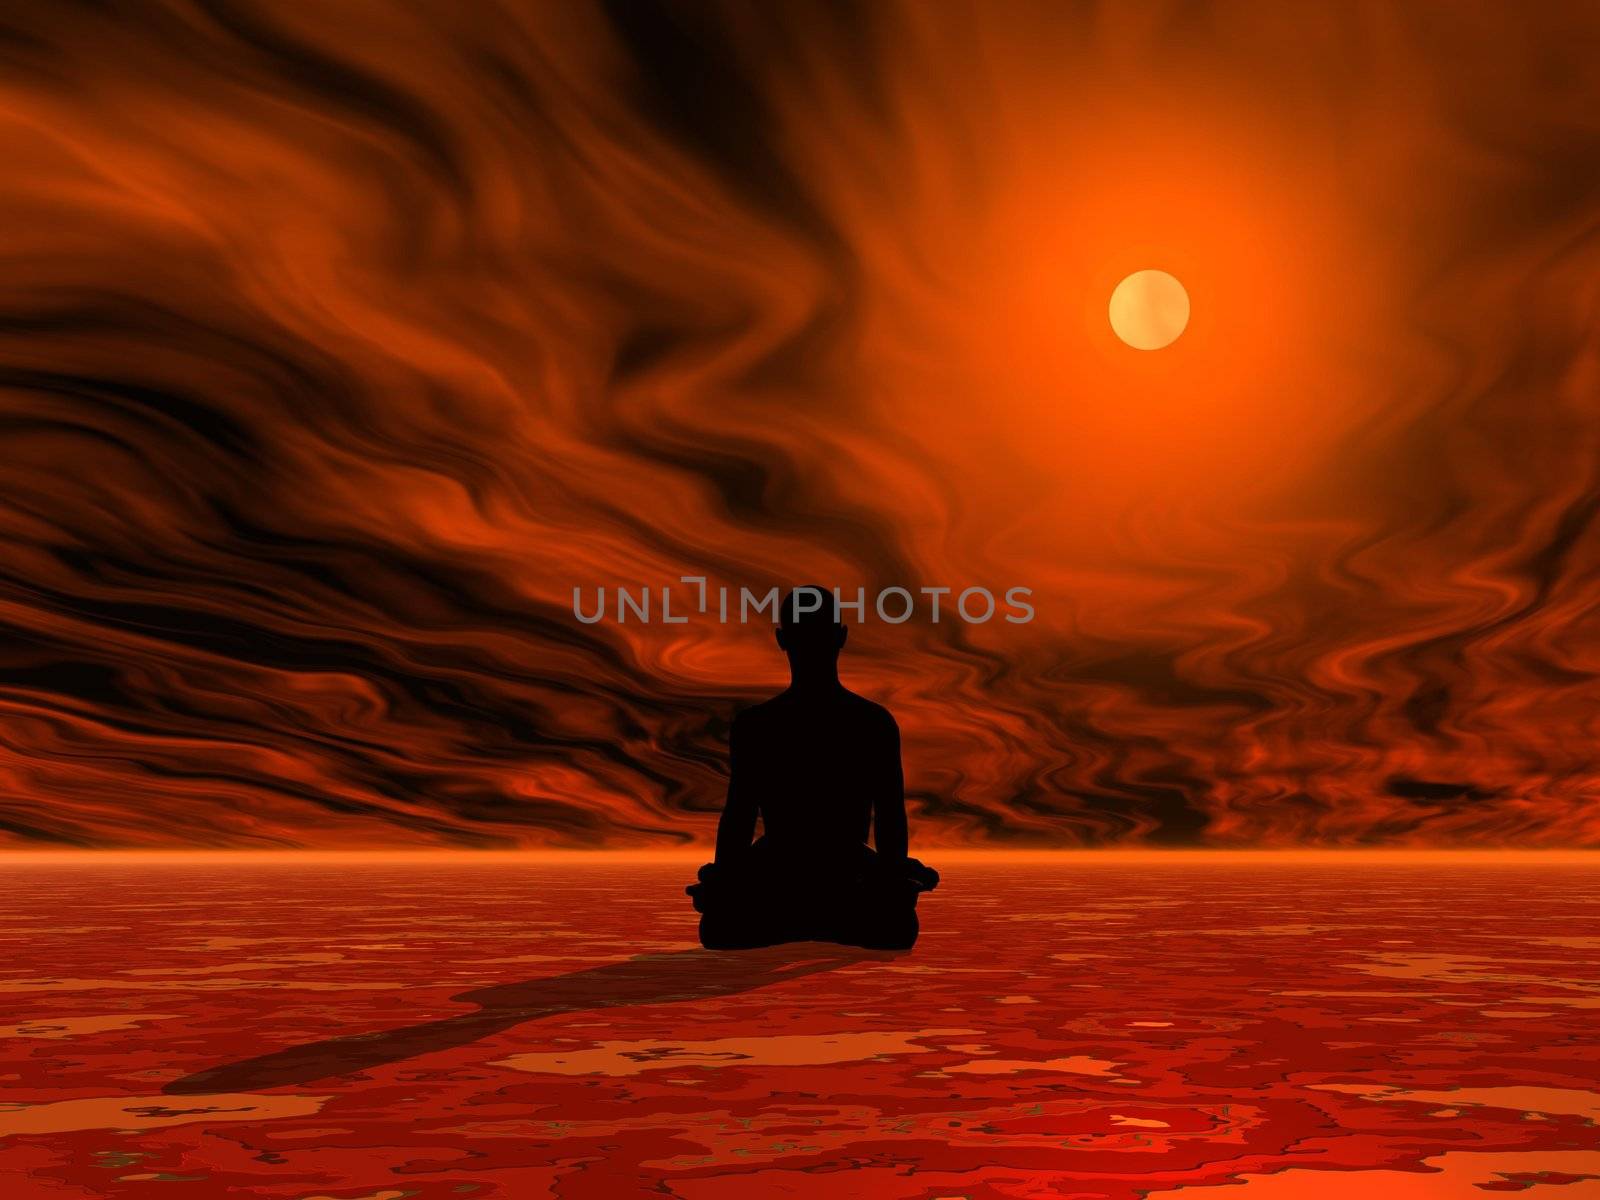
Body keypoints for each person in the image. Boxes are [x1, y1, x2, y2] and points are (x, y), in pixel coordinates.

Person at [687, 586, 939, 950]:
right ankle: (826, 921)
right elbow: (889, 818)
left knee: (722, 927)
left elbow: (739, 817)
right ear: (841, 637)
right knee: (893, 926)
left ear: (781, 639)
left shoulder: (758, 724)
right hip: (826, 871)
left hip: (815, 869)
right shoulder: (872, 722)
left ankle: (793, 921)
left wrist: (727, 883)